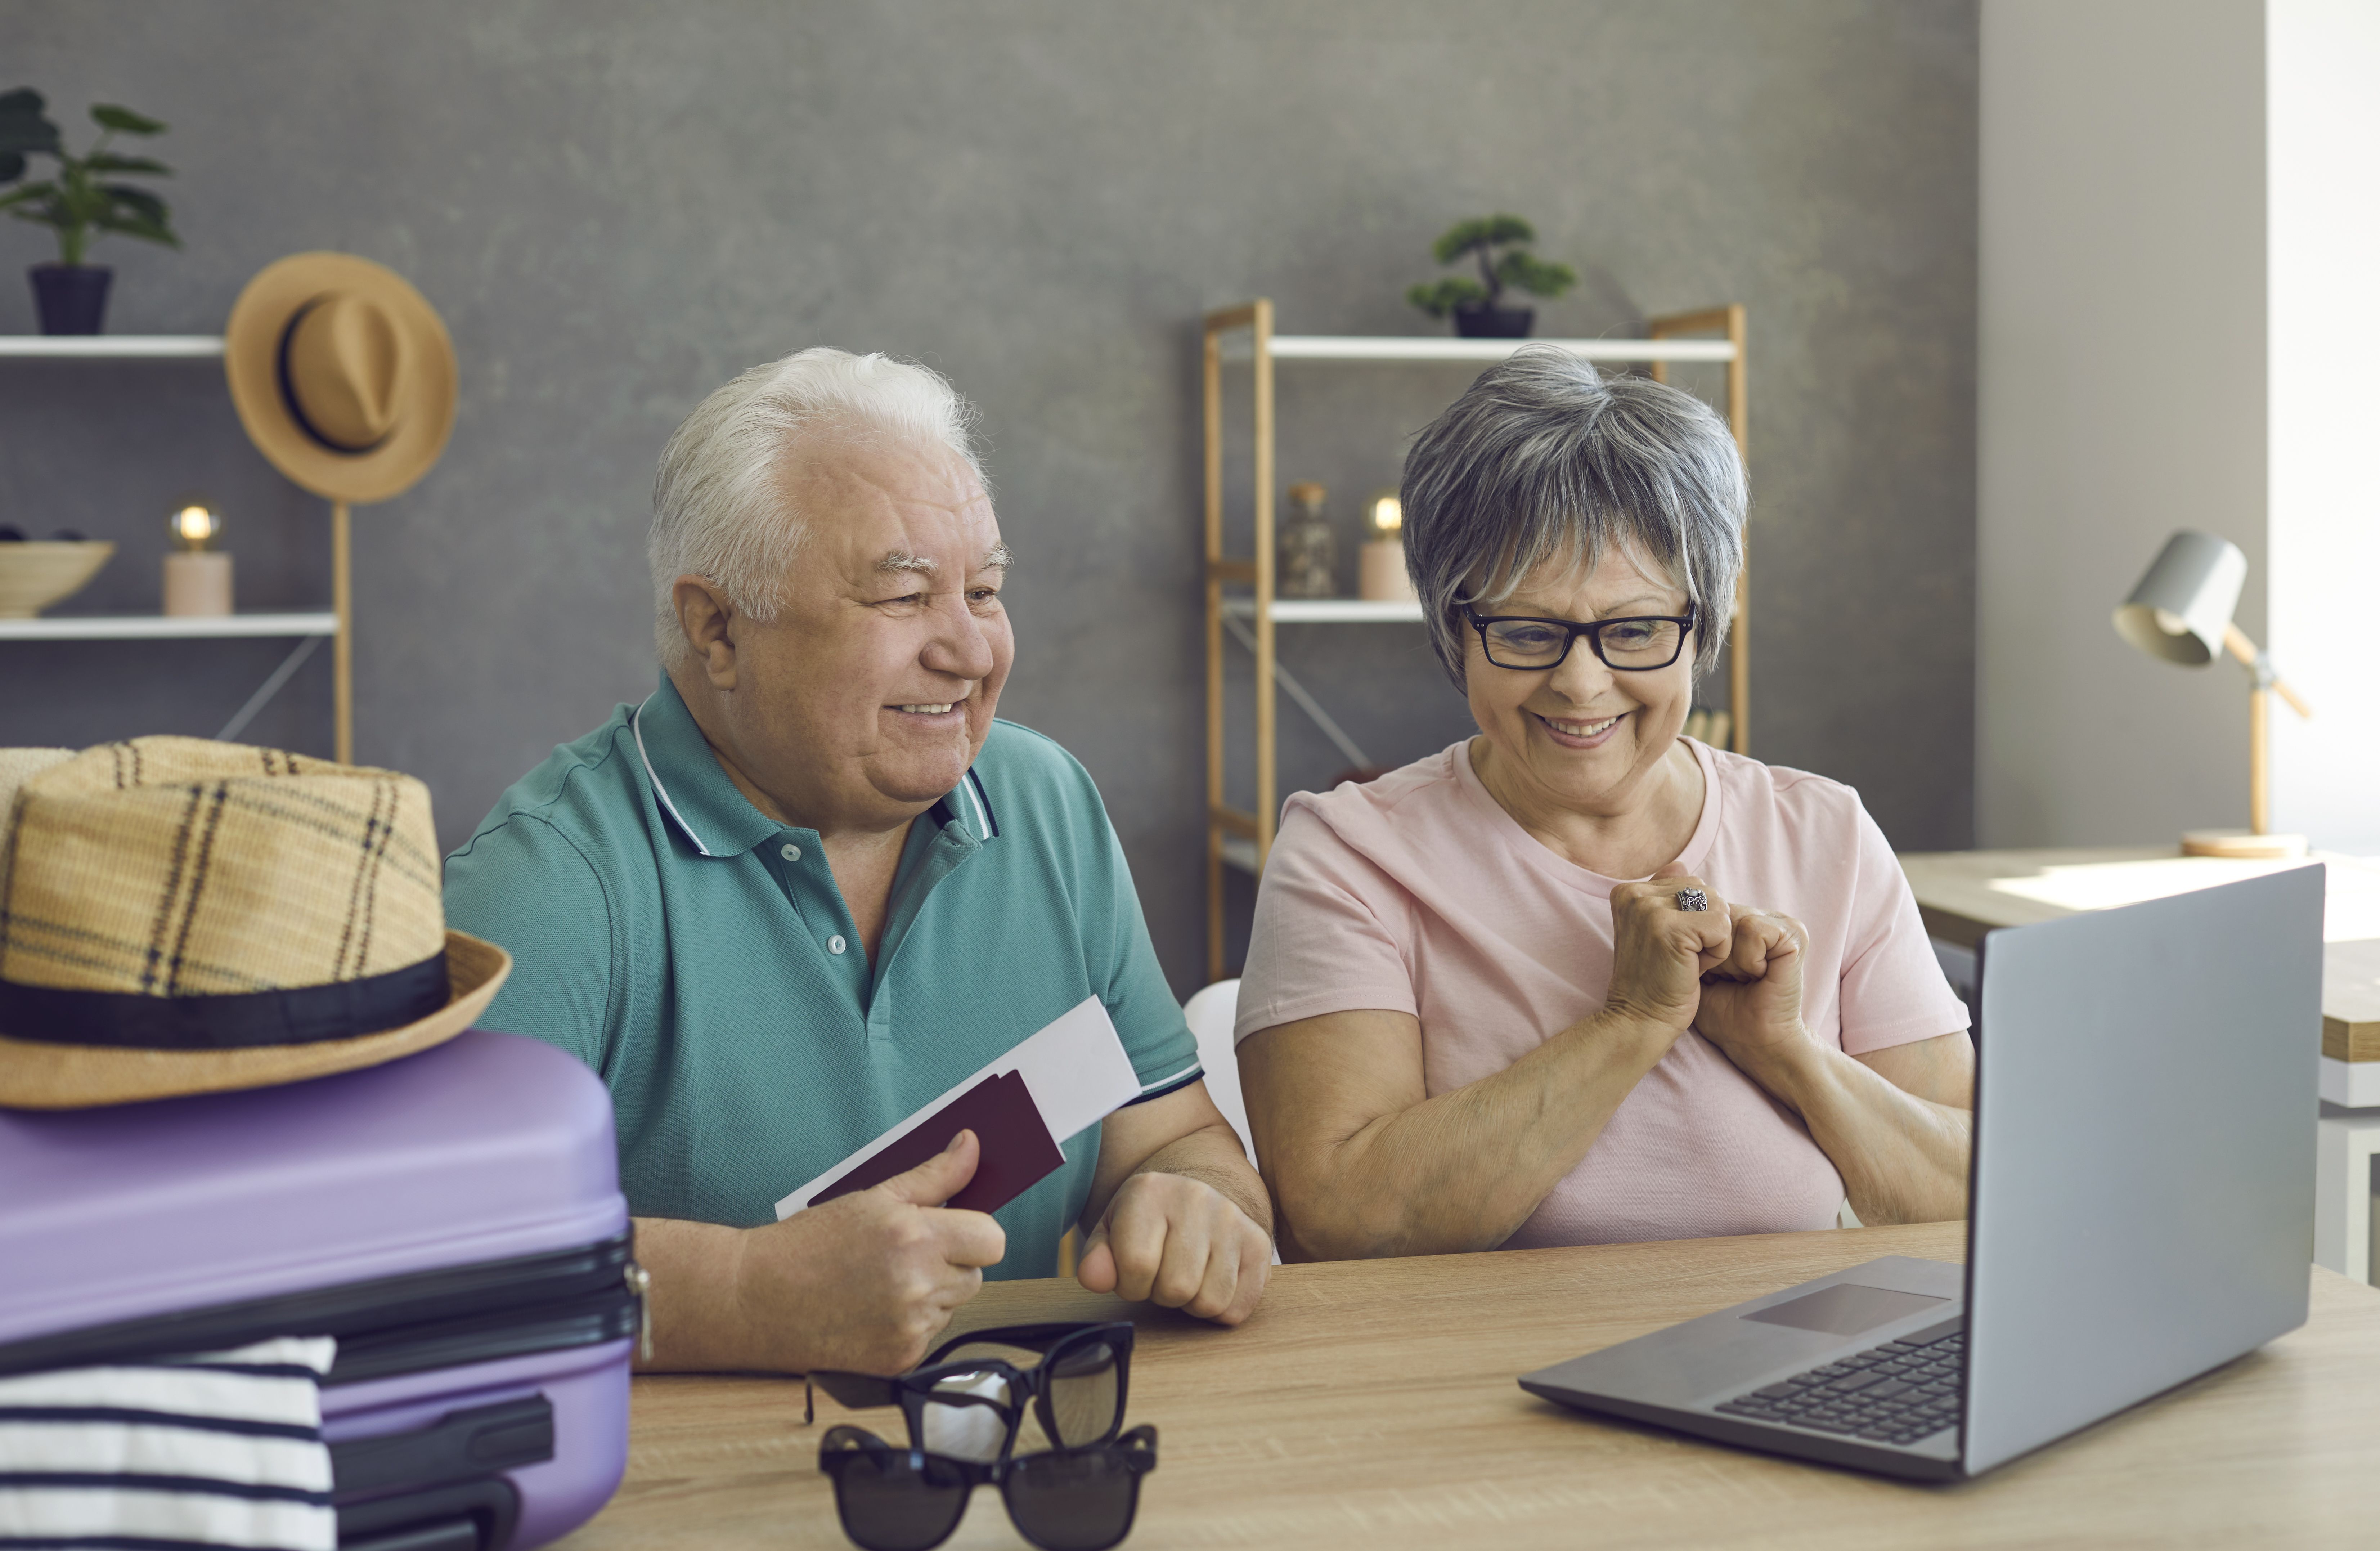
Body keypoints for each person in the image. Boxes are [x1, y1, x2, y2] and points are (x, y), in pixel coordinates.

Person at [446, 349, 1270, 1373]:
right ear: (718, 629)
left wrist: (1199, 1204)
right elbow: (418, 1255)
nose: (970, 651)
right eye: (904, 598)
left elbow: (1171, 1139)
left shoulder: (1048, 803)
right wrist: (744, 1294)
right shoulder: (551, 881)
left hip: (1022, 1472)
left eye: (985, 590)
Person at [1234, 347, 1972, 1261]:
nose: (1581, 685)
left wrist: (1787, 1054)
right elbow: (1337, 1217)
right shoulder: (1348, 856)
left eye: (1633, 630)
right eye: (1528, 631)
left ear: (1700, 627)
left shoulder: (1824, 834)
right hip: (1469, 1376)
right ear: (1452, 628)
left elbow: (1973, 1189)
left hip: (1777, 1355)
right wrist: (1629, 1022)